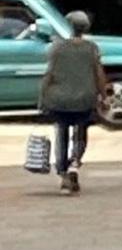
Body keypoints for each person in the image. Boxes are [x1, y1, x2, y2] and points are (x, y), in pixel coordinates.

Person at [37, 13, 99, 195]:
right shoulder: (91, 48)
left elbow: (49, 74)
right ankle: (75, 163)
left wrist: (42, 97)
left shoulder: (57, 48)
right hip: (84, 99)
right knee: (80, 133)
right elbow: (98, 73)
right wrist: (103, 95)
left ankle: (63, 174)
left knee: (62, 133)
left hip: (60, 100)